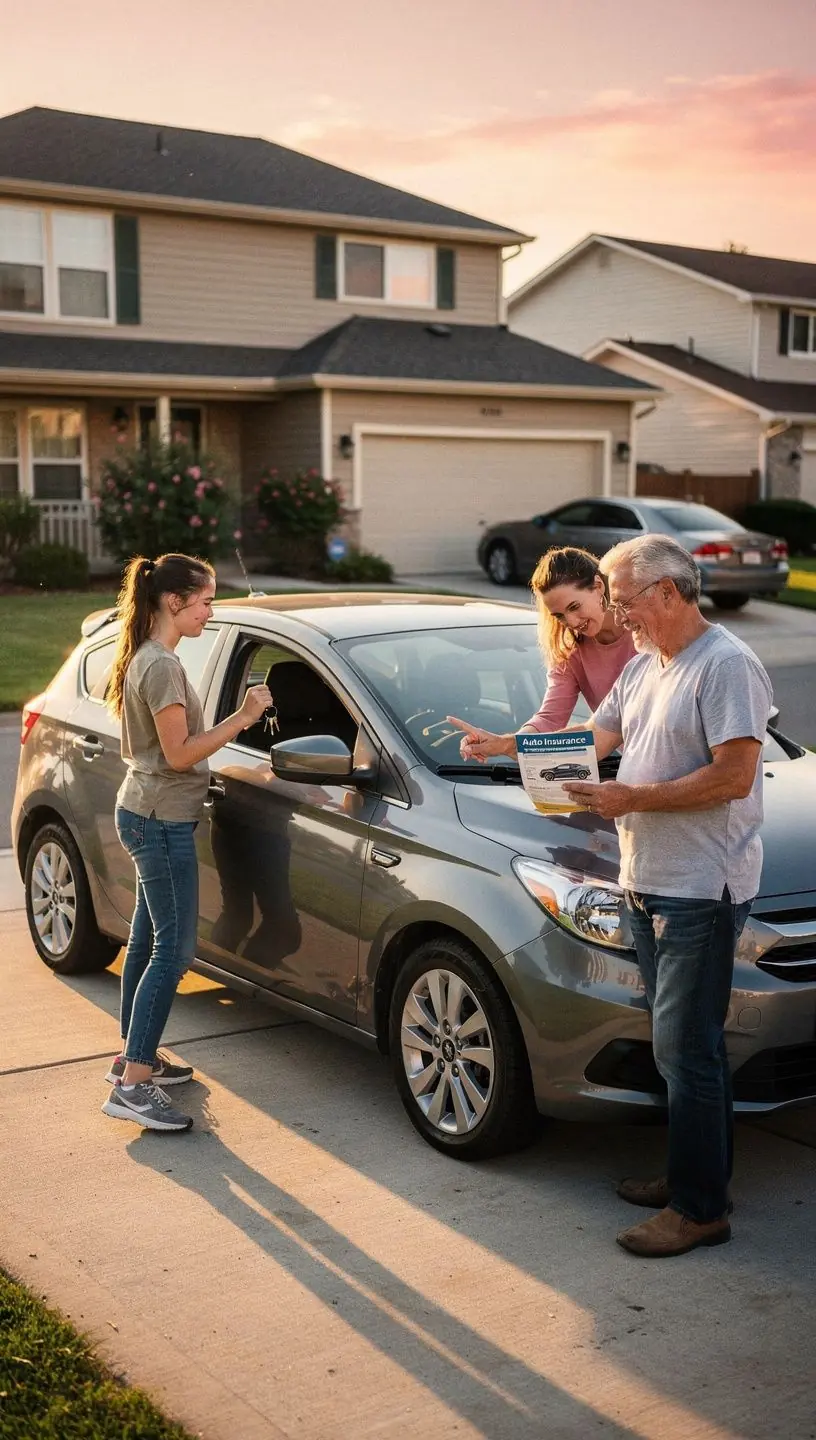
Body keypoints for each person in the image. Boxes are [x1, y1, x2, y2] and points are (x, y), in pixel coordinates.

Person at [562, 534, 772, 1258]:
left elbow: (734, 777)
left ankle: (699, 1210)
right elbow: (595, 738)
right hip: (645, 881)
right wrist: (507, 749)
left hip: (700, 890)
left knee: (689, 1052)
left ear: (669, 593)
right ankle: (694, 1179)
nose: (617, 617)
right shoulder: (646, 664)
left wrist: (631, 796)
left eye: (624, 602)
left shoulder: (727, 665)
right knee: (675, 1049)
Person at [101, 553, 272, 1134]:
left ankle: (133, 1059)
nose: (210, 612)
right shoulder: (161, 666)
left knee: (146, 941)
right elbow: (179, 755)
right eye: (205, 601)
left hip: (145, 811)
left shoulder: (153, 656)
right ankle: (132, 1086)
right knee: (173, 953)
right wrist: (244, 716)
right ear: (174, 601)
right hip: (161, 821)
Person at [448, 546, 636, 762]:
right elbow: (550, 718)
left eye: (574, 606)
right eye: (559, 616)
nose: (571, 622)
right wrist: (504, 744)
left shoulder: (643, 632)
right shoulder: (570, 651)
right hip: (630, 765)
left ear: (598, 586)